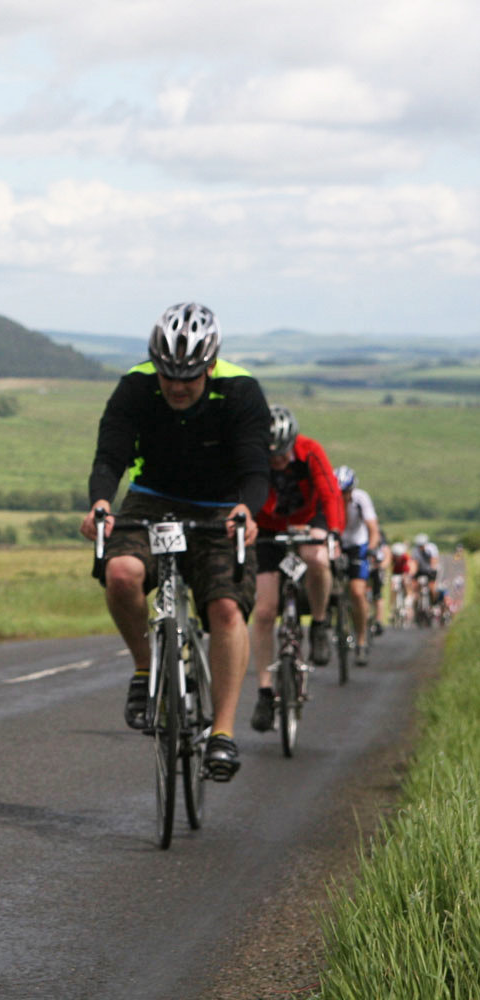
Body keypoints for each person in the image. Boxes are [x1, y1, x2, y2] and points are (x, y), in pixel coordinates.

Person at [81, 302, 269, 781]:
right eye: (168, 374)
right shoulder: (135, 387)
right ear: (155, 363)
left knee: (226, 609)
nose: (177, 385)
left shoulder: (241, 391)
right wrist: (102, 503)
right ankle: (146, 671)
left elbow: (255, 469)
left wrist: (247, 508)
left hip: (221, 506)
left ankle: (222, 732)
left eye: (189, 375)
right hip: (152, 497)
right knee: (122, 573)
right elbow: (110, 456)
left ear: (210, 365)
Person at [248, 405, 345, 733]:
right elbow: (242, 493)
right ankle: (264, 692)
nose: (277, 462)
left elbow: (331, 493)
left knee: (317, 558)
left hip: (308, 519)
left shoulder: (310, 451)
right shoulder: (254, 457)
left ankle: (318, 624)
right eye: (271, 456)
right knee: (264, 612)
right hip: (268, 528)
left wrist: (332, 533)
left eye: (282, 455)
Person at [335, 465, 381, 665]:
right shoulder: (330, 498)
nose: (343, 497)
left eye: (346, 493)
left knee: (357, 592)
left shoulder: (361, 499)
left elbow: (373, 529)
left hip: (357, 545)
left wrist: (371, 549)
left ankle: (361, 641)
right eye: (340, 493)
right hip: (336, 543)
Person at [389, 541, 413, 628]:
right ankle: (393, 606)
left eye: (399, 555)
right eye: (396, 555)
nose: (397, 557)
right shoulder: (392, 557)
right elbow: (389, 567)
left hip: (404, 572)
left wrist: (406, 576)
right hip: (396, 573)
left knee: (406, 582)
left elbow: (410, 566)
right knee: (393, 585)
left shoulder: (405, 557)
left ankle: (408, 598)